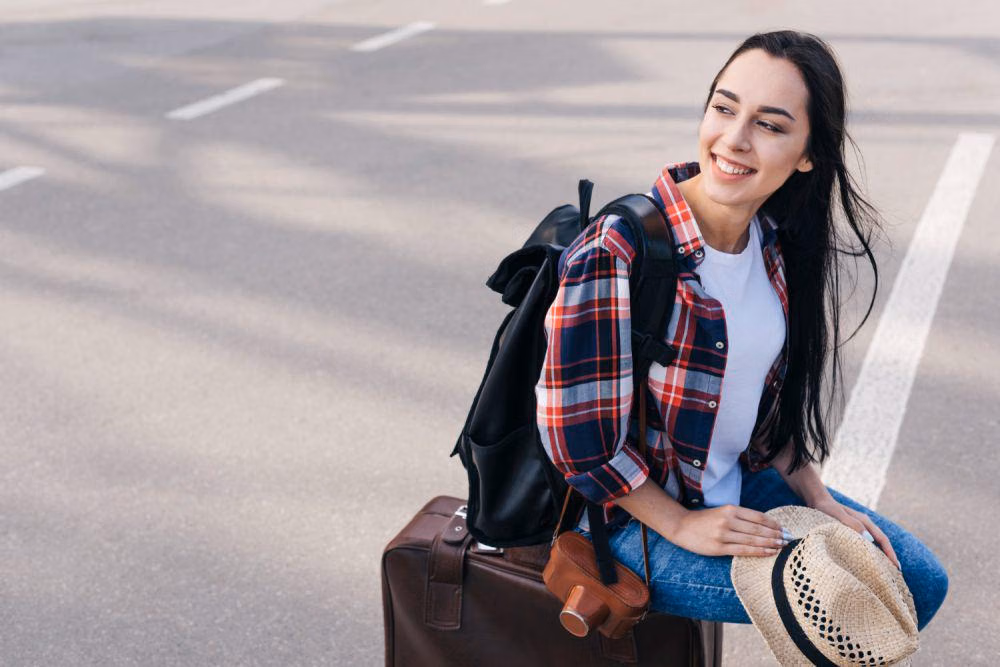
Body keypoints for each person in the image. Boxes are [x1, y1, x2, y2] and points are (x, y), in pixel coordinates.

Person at [534, 30, 948, 630]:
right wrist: (680, 523)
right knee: (845, 610)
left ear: (808, 154)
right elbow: (576, 437)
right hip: (631, 524)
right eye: (724, 108)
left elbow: (760, 401)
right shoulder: (619, 251)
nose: (733, 139)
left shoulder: (770, 246)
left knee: (919, 582)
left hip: (736, 486)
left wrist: (814, 493)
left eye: (770, 125)